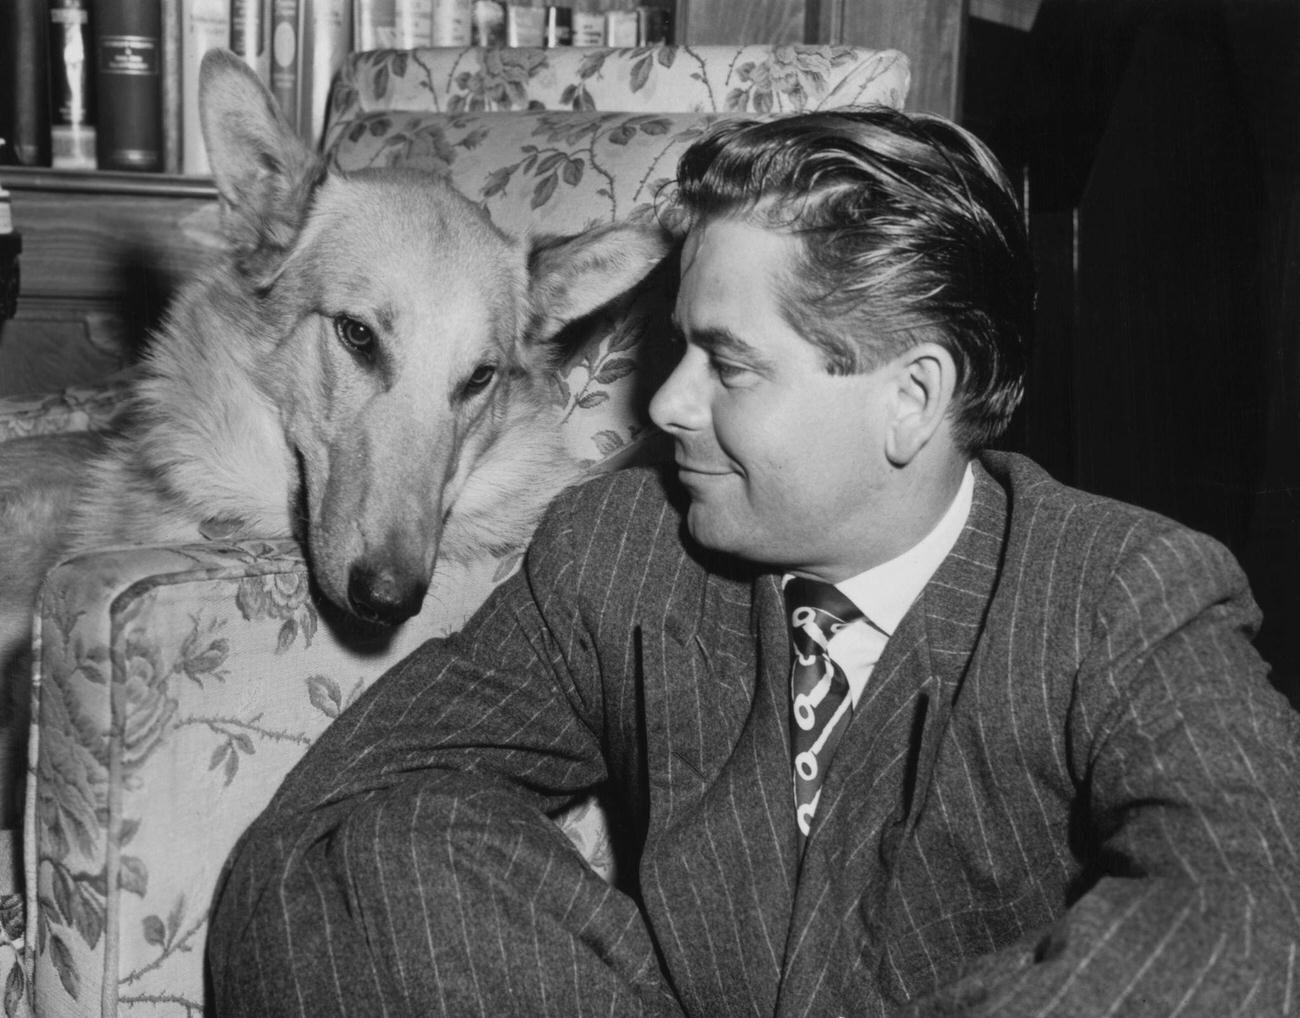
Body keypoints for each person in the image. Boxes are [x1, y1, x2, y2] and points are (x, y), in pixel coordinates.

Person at [207, 108, 1300, 1017]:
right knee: (387, 845)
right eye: (679, 345)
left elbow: (1256, 914)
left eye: (726, 364)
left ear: (909, 400)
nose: (665, 402)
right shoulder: (621, 551)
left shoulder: (1127, 592)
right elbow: (318, 837)